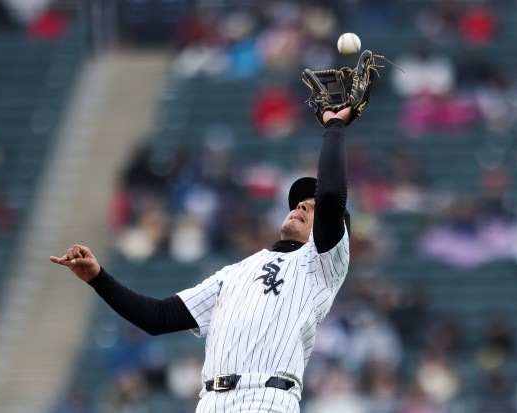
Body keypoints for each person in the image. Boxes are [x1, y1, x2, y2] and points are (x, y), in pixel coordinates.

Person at [50, 106, 355, 412]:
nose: (301, 204)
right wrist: (98, 278)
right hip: (211, 401)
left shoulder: (321, 265)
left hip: (267, 398)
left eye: (311, 206)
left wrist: (334, 127)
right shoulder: (236, 271)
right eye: (301, 202)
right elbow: (158, 317)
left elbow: (331, 198)